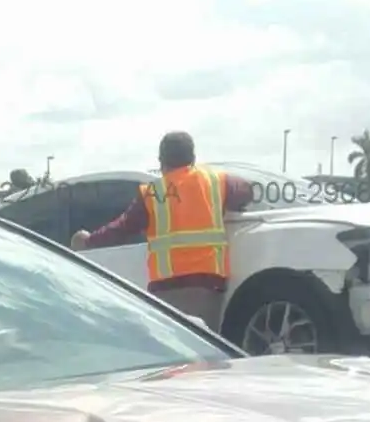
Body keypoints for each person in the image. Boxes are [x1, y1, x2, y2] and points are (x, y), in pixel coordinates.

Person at [72, 131, 251, 331]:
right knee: (207, 350)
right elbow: (246, 191)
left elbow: (122, 228)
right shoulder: (215, 181)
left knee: (177, 353)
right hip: (207, 284)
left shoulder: (152, 193)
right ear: (193, 158)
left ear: (161, 161)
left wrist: (88, 241)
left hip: (167, 289)